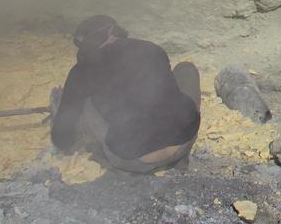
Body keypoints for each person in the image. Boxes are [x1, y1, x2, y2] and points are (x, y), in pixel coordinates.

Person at [50, 15, 201, 173]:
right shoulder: (151, 48)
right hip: (182, 143)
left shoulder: (80, 72)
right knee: (185, 69)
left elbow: (61, 139)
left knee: (86, 101)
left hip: (132, 160)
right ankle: (178, 148)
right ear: (112, 31)